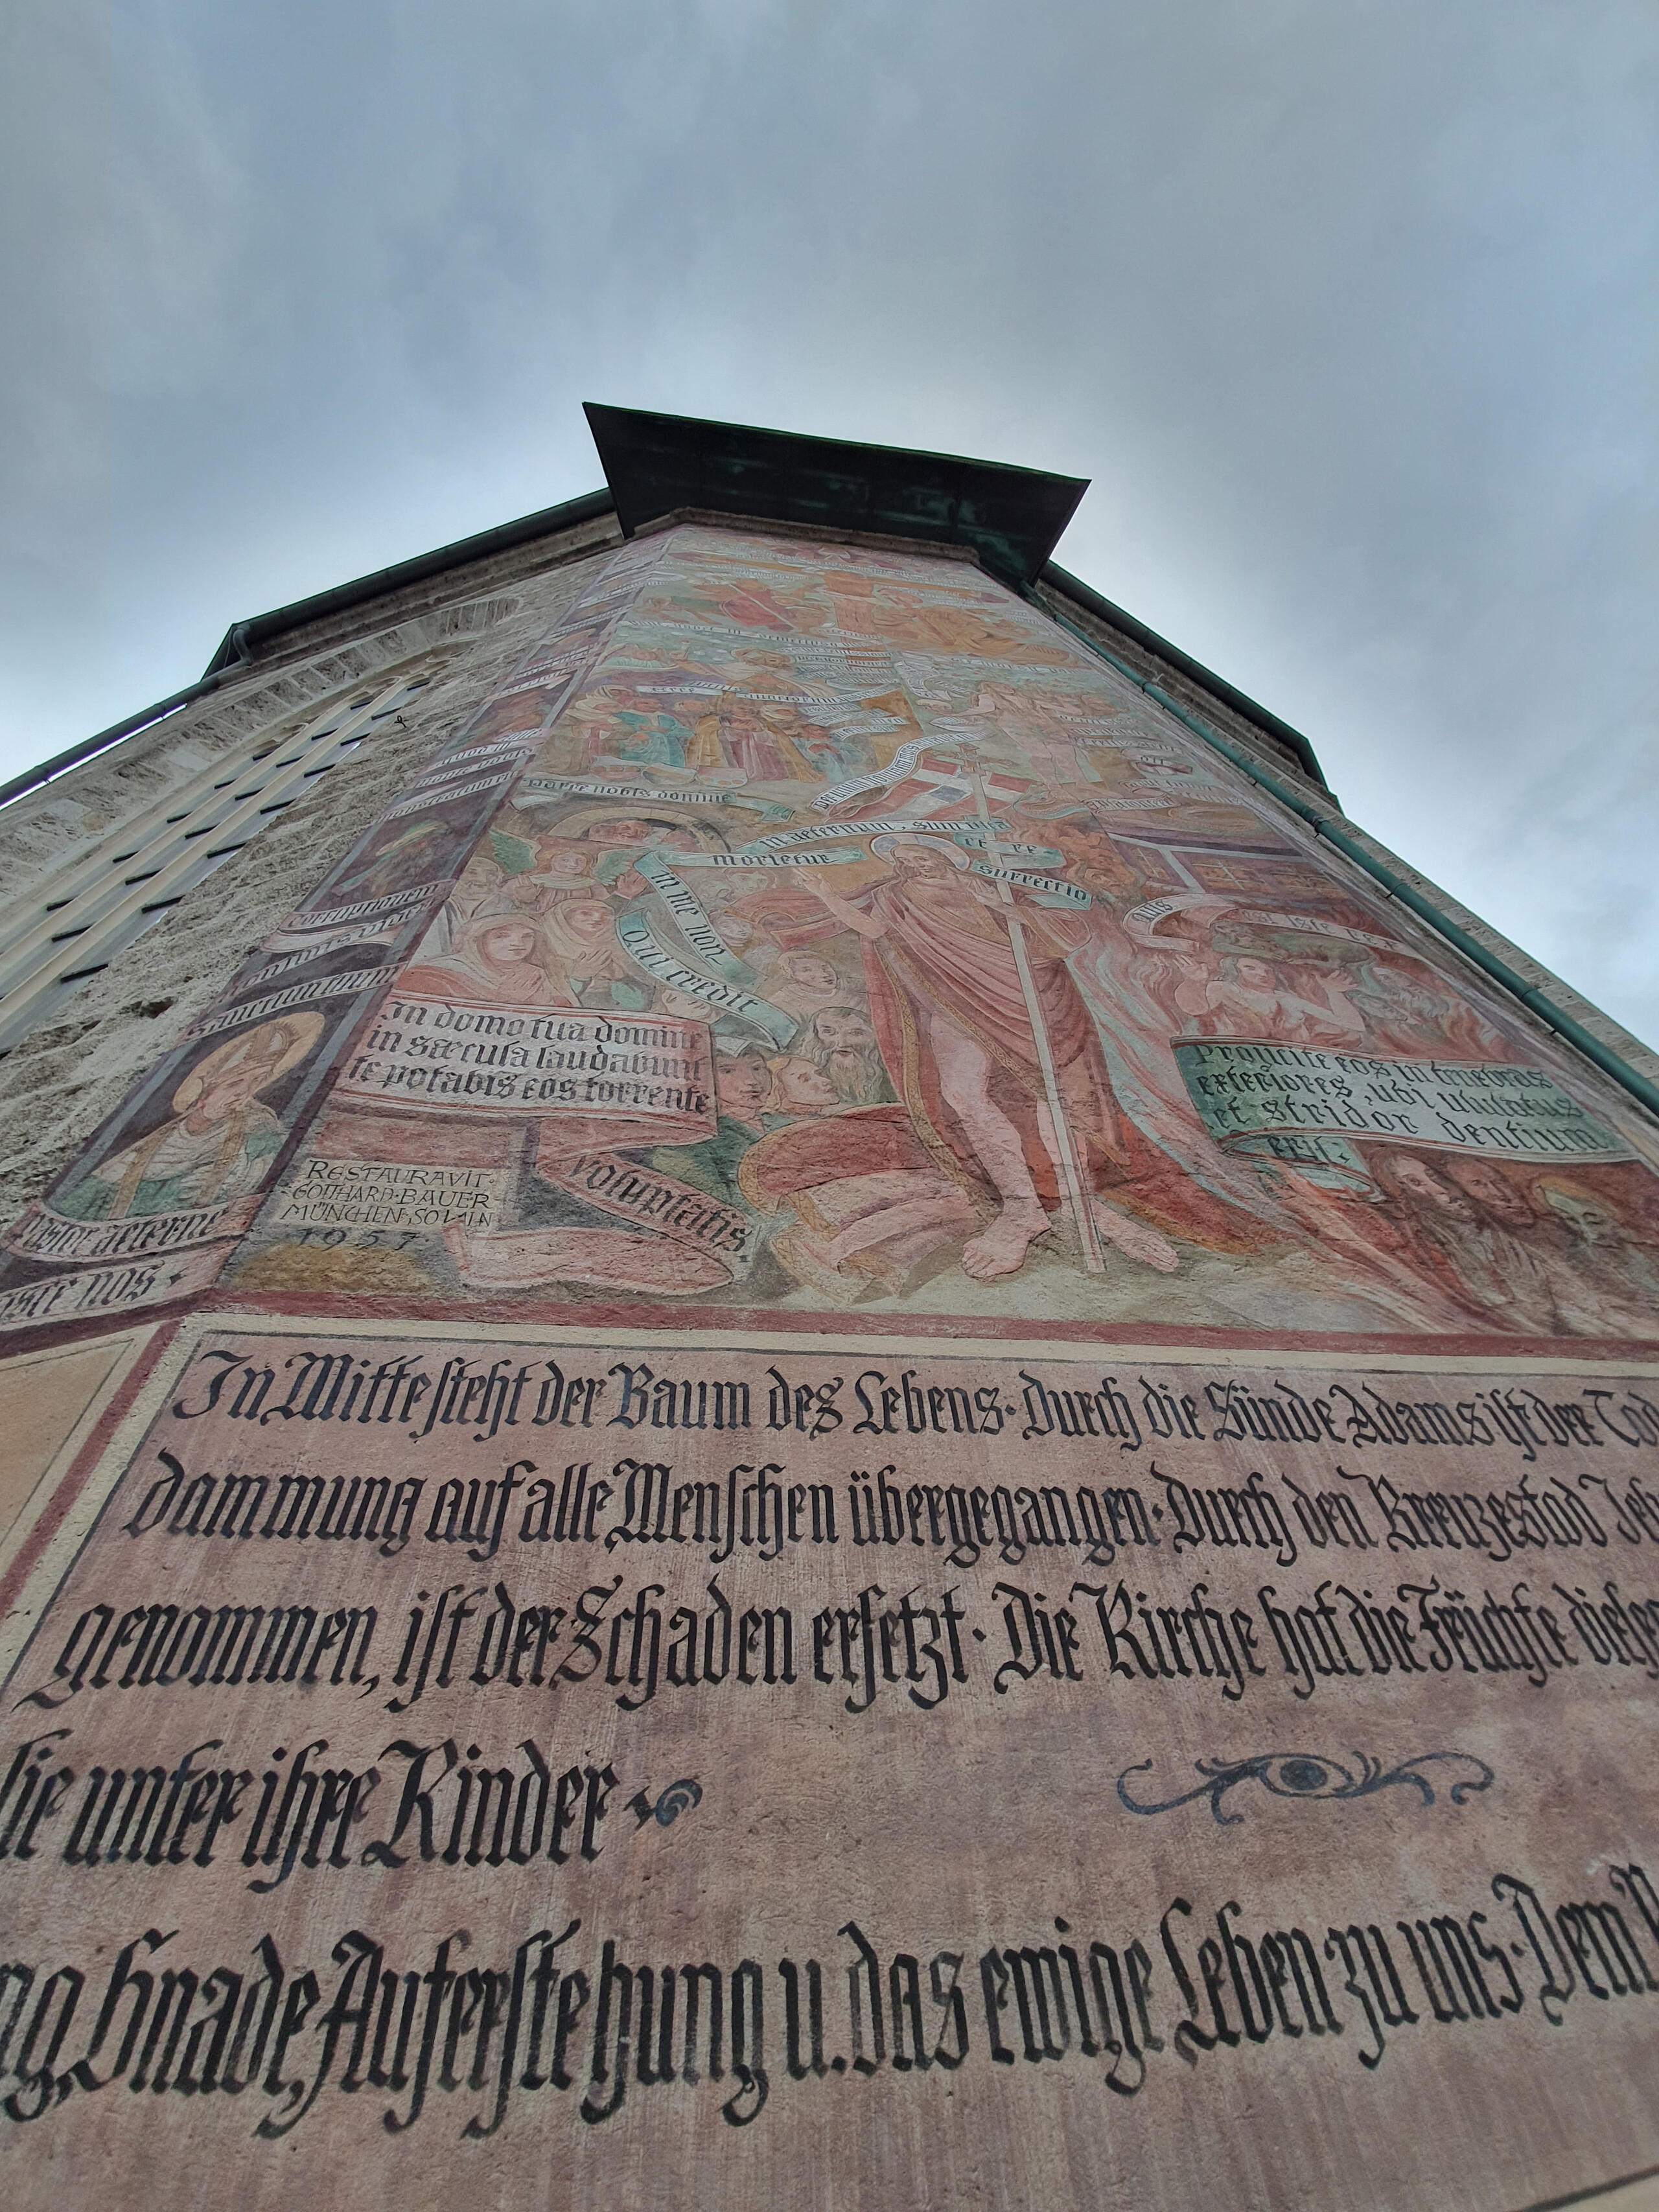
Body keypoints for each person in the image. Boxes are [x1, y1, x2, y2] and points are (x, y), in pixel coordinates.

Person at [792, 841, 1184, 1282]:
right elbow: (875, 929)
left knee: (1049, 1094)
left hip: (1022, 994)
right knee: (962, 1094)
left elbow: (1064, 935)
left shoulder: (990, 886)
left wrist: (1004, 906)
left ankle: (1081, 1203)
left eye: (924, 857)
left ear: (944, 858)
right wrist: (826, 894)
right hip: (952, 996)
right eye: (907, 862)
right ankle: (1021, 1206)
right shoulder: (896, 896)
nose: (918, 865)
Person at [56, 1014, 322, 1221]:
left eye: (256, 1083)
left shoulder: (259, 1129)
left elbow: (275, 1169)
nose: (242, 1094)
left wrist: (237, 1181)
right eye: (233, 1084)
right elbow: (85, 1200)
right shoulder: (152, 1145)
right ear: (204, 1092)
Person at [401, 916, 555, 1005]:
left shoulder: (534, 974)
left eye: (527, 936)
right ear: (478, 941)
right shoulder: (437, 973)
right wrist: (505, 998)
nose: (518, 943)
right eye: (501, 936)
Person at [802, 1005, 896, 1103]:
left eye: (856, 1033)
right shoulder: (803, 1081)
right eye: (828, 1032)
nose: (842, 1044)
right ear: (815, 1037)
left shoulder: (894, 1085)